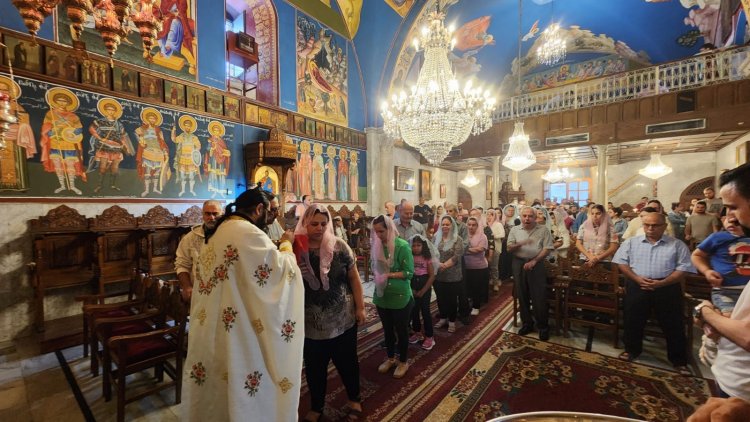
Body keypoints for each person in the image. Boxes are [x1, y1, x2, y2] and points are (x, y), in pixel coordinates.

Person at [182, 187, 303, 422]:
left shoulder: (219, 231)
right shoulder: (247, 232)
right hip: (240, 328)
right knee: (242, 379)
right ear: (259, 209)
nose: (271, 217)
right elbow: (280, 272)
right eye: (270, 211)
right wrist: (286, 245)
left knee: (219, 388)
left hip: (213, 326)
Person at [293, 205, 365, 422]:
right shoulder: (296, 248)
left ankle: (354, 399)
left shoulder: (339, 246)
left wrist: (360, 307)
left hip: (342, 319)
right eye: (314, 224)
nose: (319, 228)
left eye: (324, 224)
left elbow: (354, 278)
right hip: (311, 323)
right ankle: (317, 406)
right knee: (315, 368)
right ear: (305, 224)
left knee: (347, 362)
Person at [613, 211, 695, 375]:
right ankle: (631, 350)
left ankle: (679, 360)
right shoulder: (631, 243)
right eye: (647, 225)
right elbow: (621, 263)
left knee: (673, 323)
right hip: (638, 285)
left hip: (667, 287)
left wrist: (663, 282)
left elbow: (684, 268)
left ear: (664, 226)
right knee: (633, 319)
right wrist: (637, 279)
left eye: (655, 225)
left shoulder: (677, 245)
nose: (650, 228)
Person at [692, 211, 749, 365]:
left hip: (747, 290)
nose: (731, 224)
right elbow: (697, 255)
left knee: (743, 325)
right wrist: (707, 271)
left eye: (737, 222)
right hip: (726, 289)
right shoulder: (718, 237)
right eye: (728, 220)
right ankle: (712, 343)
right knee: (727, 320)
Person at [371, 215, 414, 379]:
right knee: (387, 330)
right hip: (382, 295)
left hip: (400, 295)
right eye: (375, 232)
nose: (378, 235)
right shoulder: (377, 245)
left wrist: (388, 275)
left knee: (401, 331)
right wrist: (377, 274)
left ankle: (403, 361)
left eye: (381, 231)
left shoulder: (402, 246)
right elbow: (374, 266)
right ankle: (390, 358)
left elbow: (409, 273)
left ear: (389, 229)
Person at [507, 207, 554, 341]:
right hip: (518, 263)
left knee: (538, 296)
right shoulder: (515, 230)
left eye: (530, 216)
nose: (527, 218)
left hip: (537, 263)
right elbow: (509, 248)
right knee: (522, 295)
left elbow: (547, 248)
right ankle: (527, 324)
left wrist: (534, 261)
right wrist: (521, 243)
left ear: (535, 217)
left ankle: (543, 326)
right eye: (524, 216)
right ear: (521, 217)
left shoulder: (543, 230)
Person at [175, 200, 223, 303]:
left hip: (223, 292)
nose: (211, 217)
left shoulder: (229, 236)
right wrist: (187, 287)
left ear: (222, 214)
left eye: (215, 214)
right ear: (202, 215)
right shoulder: (190, 238)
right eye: (207, 214)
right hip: (199, 291)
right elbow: (181, 265)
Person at [88, 99, 133, 193]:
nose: (111, 111)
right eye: (109, 109)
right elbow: (91, 129)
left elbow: (122, 136)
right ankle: (99, 185)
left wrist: (126, 146)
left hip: (117, 148)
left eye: (113, 110)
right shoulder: (100, 121)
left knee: (114, 168)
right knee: (102, 167)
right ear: (105, 110)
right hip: (105, 147)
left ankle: (112, 185)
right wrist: (100, 138)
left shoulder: (119, 124)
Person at [432, 216, 465, 333]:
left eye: (447, 224)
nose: (445, 226)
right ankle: (443, 318)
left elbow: (457, 256)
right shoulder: (436, 237)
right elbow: (431, 253)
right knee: (441, 298)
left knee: (451, 300)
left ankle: (451, 320)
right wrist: (437, 264)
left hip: (453, 275)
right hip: (438, 275)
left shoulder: (458, 239)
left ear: (452, 225)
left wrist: (444, 265)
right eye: (443, 224)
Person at [407, 234, 438, 351]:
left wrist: (423, 290)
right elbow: (408, 273)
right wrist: (411, 289)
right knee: (414, 311)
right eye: (413, 245)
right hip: (413, 285)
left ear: (423, 245)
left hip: (424, 285)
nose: (416, 248)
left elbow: (432, 276)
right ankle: (417, 332)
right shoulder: (410, 257)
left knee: (425, 312)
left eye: (418, 245)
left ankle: (430, 336)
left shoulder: (427, 258)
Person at [135, 108, 169, 197]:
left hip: (158, 153)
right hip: (148, 151)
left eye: (154, 119)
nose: (152, 120)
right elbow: (136, 133)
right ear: (147, 119)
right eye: (150, 118)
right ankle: (146, 190)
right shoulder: (142, 128)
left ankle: (155, 189)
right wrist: (140, 140)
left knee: (157, 172)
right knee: (148, 171)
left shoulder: (158, 130)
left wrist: (165, 152)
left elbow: (162, 142)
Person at [465, 217, 489, 316]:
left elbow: (479, 249)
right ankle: (467, 305)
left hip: (479, 267)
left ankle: (476, 306)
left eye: (473, 225)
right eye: (469, 224)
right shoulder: (464, 235)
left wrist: (466, 250)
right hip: (466, 266)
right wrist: (471, 250)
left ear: (477, 226)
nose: (471, 227)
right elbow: (459, 249)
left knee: (476, 288)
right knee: (467, 288)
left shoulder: (482, 236)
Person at [486, 209, 506, 291]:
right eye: (487, 214)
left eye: (491, 214)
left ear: (494, 216)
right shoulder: (485, 224)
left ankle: (495, 283)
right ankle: (489, 280)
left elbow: (502, 234)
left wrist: (492, 236)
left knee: (494, 266)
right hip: (486, 248)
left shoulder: (498, 224)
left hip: (496, 248)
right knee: (487, 266)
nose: (489, 216)